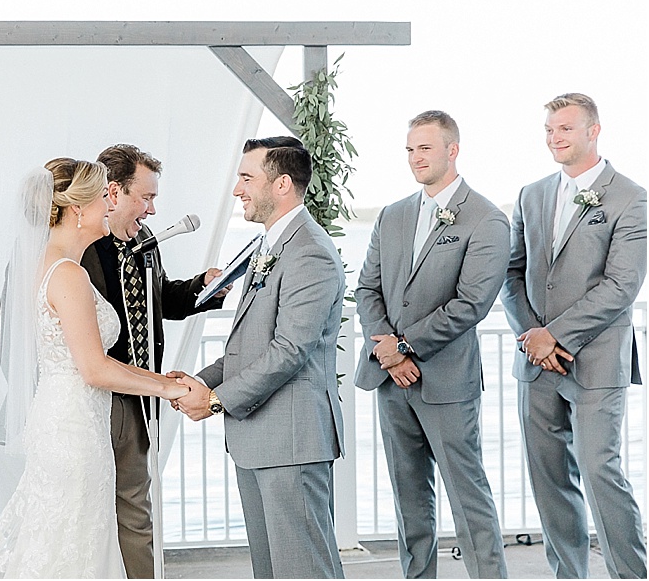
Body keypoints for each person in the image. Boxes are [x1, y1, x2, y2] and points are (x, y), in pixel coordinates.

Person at [0, 158, 190, 579]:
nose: (110, 204)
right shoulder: (67, 273)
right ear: (78, 209)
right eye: (103, 196)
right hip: (74, 430)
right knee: (72, 546)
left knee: (67, 542)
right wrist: (170, 389)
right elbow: (94, 369)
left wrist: (163, 380)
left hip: (71, 418)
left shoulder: (49, 264)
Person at [173, 137, 346, 579]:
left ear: (282, 184)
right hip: (259, 440)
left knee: (305, 570)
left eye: (247, 178)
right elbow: (248, 346)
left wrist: (214, 400)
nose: (237, 190)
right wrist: (193, 381)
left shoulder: (310, 251)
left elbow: (288, 351)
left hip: (291, 441)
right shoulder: (267, 247)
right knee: (270, 572)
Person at [353, 111, 509, 578]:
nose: (415, 157)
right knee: (408, 496)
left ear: (451, 150)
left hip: (446, 381)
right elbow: (367, 290)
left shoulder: (487, 219)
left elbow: (471, 304)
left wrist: (404, 347)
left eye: (424, 148)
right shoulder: (393, 214)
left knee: (468, 496)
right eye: (409, 149)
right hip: (390, 379)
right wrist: (386, 349)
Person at [501, 93, 647, 579]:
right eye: (548, 129)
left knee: (599, 469)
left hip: (597, 359)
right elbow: (512, 272)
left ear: (593, 131)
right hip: (536, 362)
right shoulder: (531, 193)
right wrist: (531, 336)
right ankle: (569, 574)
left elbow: (621, 286)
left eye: (564, 128)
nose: (554, 137)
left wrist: (556, 336)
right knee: (548, 478)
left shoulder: (631, 197)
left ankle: (631, 573)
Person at [81, 144, 227, 578]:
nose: (152, 209)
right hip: (98, 391)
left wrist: (202, 289)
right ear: (113, 193)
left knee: (133, 505)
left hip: (140, 394)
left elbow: (157, 299)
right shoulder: (85, 247)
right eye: (145, 197)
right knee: (104, 506)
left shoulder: (145, 241)